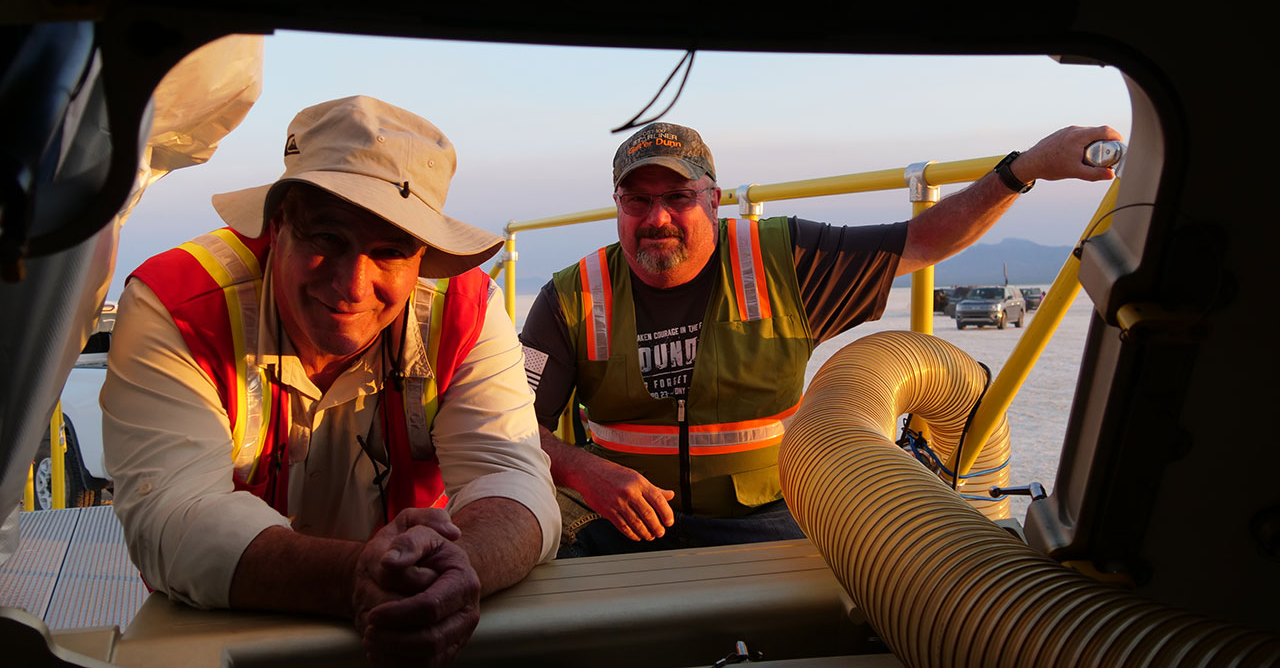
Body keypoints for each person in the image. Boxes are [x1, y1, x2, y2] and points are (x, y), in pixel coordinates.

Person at [519, 121, 1122, 557]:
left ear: (714, 200)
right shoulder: (572, 295)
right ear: (618, 205)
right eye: (637, 200)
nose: (657, 218)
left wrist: (1024, 169)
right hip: (615, 522)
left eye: (678, 198)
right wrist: (578, 470)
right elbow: (505, 425)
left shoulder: (784, 258)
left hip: (766, 518)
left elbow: (924, 241)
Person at [102, 96, 559, 666]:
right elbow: (170, 514)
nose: (352, 284)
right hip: (228, 634)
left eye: (390, 251)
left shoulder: (467, 310)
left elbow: (510, 475)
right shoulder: (178, 305)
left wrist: (463, 567)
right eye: (328, 239)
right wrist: (359, 578)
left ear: (424, 258)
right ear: (277, 225)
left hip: (412, 628)